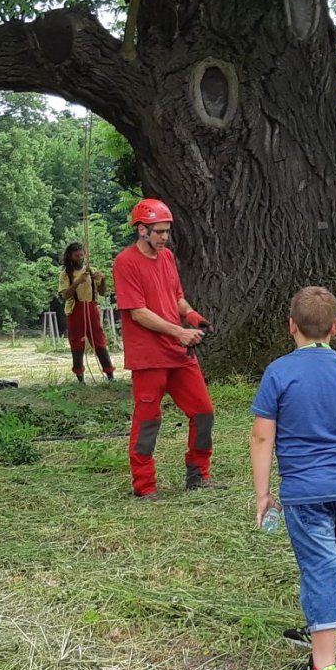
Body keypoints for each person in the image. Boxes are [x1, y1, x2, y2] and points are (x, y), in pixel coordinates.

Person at [249, 286, 336, 670]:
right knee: (327, 560)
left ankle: (322, 667)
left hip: (305, 490)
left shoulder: (278, 372)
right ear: (335, 327)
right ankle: (326, 632)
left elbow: (261, 437)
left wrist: (263, 494)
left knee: (321, 566)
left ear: (292, 326)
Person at [111, 198, 219, 498]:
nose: (164, 237)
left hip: (178, 354)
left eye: (167, 231)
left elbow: (176, 297)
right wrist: (179, 332)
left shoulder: (167, 257)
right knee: (148, 420)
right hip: (149, 357)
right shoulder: (125, 262)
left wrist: (193, 316)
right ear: (141, 230)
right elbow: (138, 313)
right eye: (159, 231)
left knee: (204, 412)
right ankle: (144, 486)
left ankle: (199, 475)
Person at [57, 241, 115, 381]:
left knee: (99, 340)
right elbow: (65, 296)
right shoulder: (66, 274)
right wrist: (77, 282)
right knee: (77, 342)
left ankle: (110, 374)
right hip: (75, 309)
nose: (80, 258)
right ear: (70, 257)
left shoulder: (92, 271)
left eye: (81, 255)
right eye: (76, 256)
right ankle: (80, 376)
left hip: (91, 308)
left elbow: (102, 292)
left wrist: (103, 280)